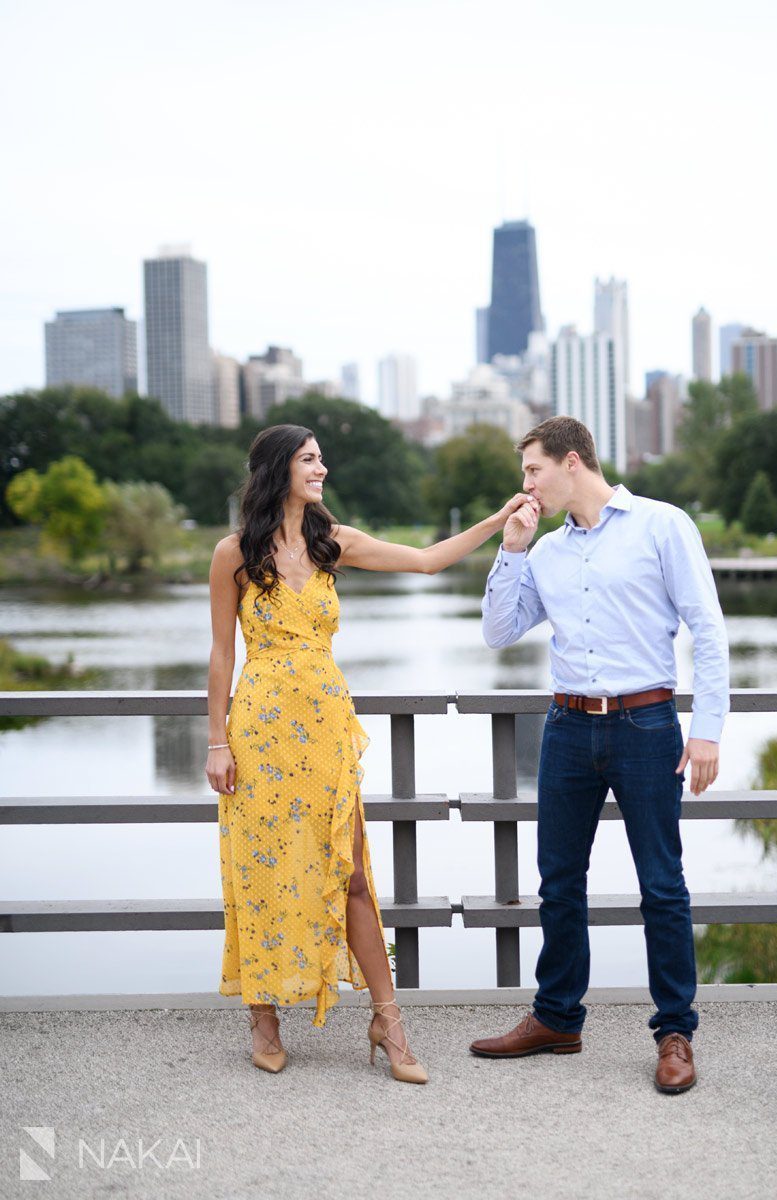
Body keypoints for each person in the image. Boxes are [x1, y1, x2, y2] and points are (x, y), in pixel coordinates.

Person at [206, 423, 527, 1081]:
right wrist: (215, 741)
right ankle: (262, 1018)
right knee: (259, 868)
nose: (321, 469)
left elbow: (428, 559)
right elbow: (220, 652)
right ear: (276, 470)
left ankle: (388, 1021)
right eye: (308, 459)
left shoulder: (334, 544)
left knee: (349, 873)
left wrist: (498, 518)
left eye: (322, 459)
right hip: (260, 731)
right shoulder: (233, 553)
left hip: (325, 729)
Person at [469, 416, 730, 1094]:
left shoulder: (660, 525)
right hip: (566, 728)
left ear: (572, 461)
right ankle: (556, 1017)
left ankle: (675, 1032)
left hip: (646, 726)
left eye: (532, 470)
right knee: (558, 882)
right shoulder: (547, 552)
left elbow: (706, 629)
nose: (524, 484)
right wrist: (513, 549)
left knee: (661, 886)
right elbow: (498, 632)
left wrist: (706, 729)